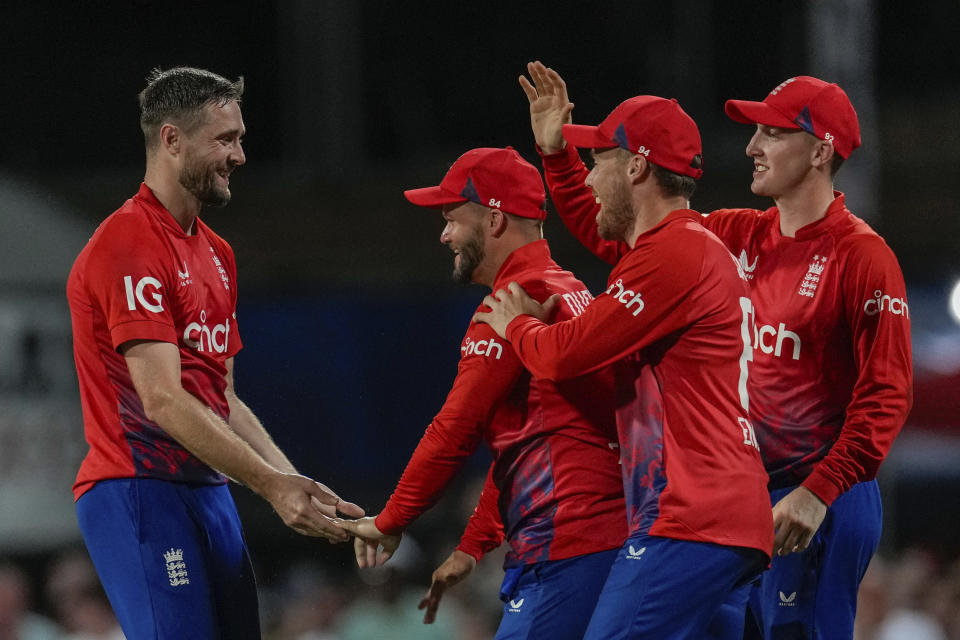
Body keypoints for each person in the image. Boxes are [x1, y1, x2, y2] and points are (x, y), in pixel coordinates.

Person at [519, 62, 912, 638]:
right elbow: (623, 234)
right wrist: (558, 158)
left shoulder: (862, 257)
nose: (753, 145)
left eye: (773, 133)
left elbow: (887, 395)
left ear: (822, 152)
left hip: (821, 495)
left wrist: (818, 492)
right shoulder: (734, 233)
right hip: (745, 498)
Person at [66, 66, 363, 640]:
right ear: (172, 140)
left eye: (241, 139)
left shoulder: (218, 254)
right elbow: (162, 401)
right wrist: (273, 488)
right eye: (225, 139)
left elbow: (220, 398)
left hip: (209, 490)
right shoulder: (127, 243)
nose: (241, 155)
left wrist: (293, 481)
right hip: (138, 488)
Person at [476, 83, 775, 639]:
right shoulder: (684, 249)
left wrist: (515, 322)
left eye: (597, 162)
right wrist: (556, 157)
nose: (589, 178)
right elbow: (601, 227)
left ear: (636, 167)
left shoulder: (673, 254)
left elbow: (562, 358)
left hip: (688, 518)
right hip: (723, 518)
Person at [335, 147, 626, 639]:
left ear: (493, 219)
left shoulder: (511, 305)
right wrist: (474, 543)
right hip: (594, 538)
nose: (444, 234)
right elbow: (533, 436)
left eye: (452, 219)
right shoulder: (570, 287)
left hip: (569, 545)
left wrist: (391, 519)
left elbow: (455, 429)